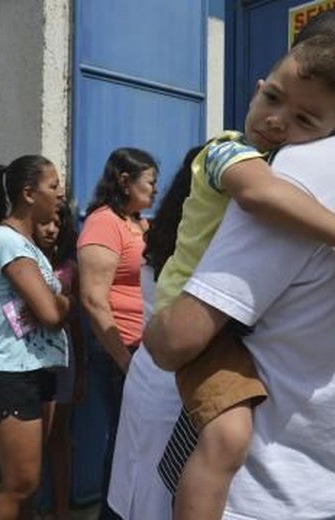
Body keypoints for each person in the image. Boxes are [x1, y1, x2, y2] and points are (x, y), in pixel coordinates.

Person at [145, 9, 335, 520]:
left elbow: (175, 341)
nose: (280, 124)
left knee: (223, 436)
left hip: (256, 493)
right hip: (332, 485)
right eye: (273, 99)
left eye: (305, 119)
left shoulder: (301, 165)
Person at [107, 145, 199, 520]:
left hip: (150, 373)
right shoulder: (198, 247)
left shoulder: (161, 234)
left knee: (137, 486)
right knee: (156, 494)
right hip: (170, 383)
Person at [0, 155, 68, 520]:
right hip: (10, 376)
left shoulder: (29, 247)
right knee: (20, 485)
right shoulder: (6, 241)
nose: (59, 194)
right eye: (53, 186)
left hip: (36, 370)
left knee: (28, 483)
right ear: (29, 193)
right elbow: (50, 314)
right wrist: (64, 301)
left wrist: (57, 302)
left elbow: (50, 307)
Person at [77, 147, 157, 519]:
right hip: (119, 348)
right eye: (150, 182)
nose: (155, 190)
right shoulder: (103, 222)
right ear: (125, 182)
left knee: (140, 442)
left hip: (145, 348)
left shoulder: (139, 222)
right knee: (125, 444)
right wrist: (125, 361)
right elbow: (94, 300)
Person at [35, 203, 86, 520]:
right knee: (31, 440)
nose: (51, 229)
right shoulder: (21, 261)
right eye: (44, 222)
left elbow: (77, 321)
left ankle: (61, 509)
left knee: (58, 437)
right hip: (26, 360)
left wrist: (81, 370)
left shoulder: (70, 267)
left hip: (62, 360)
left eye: (57, 223)